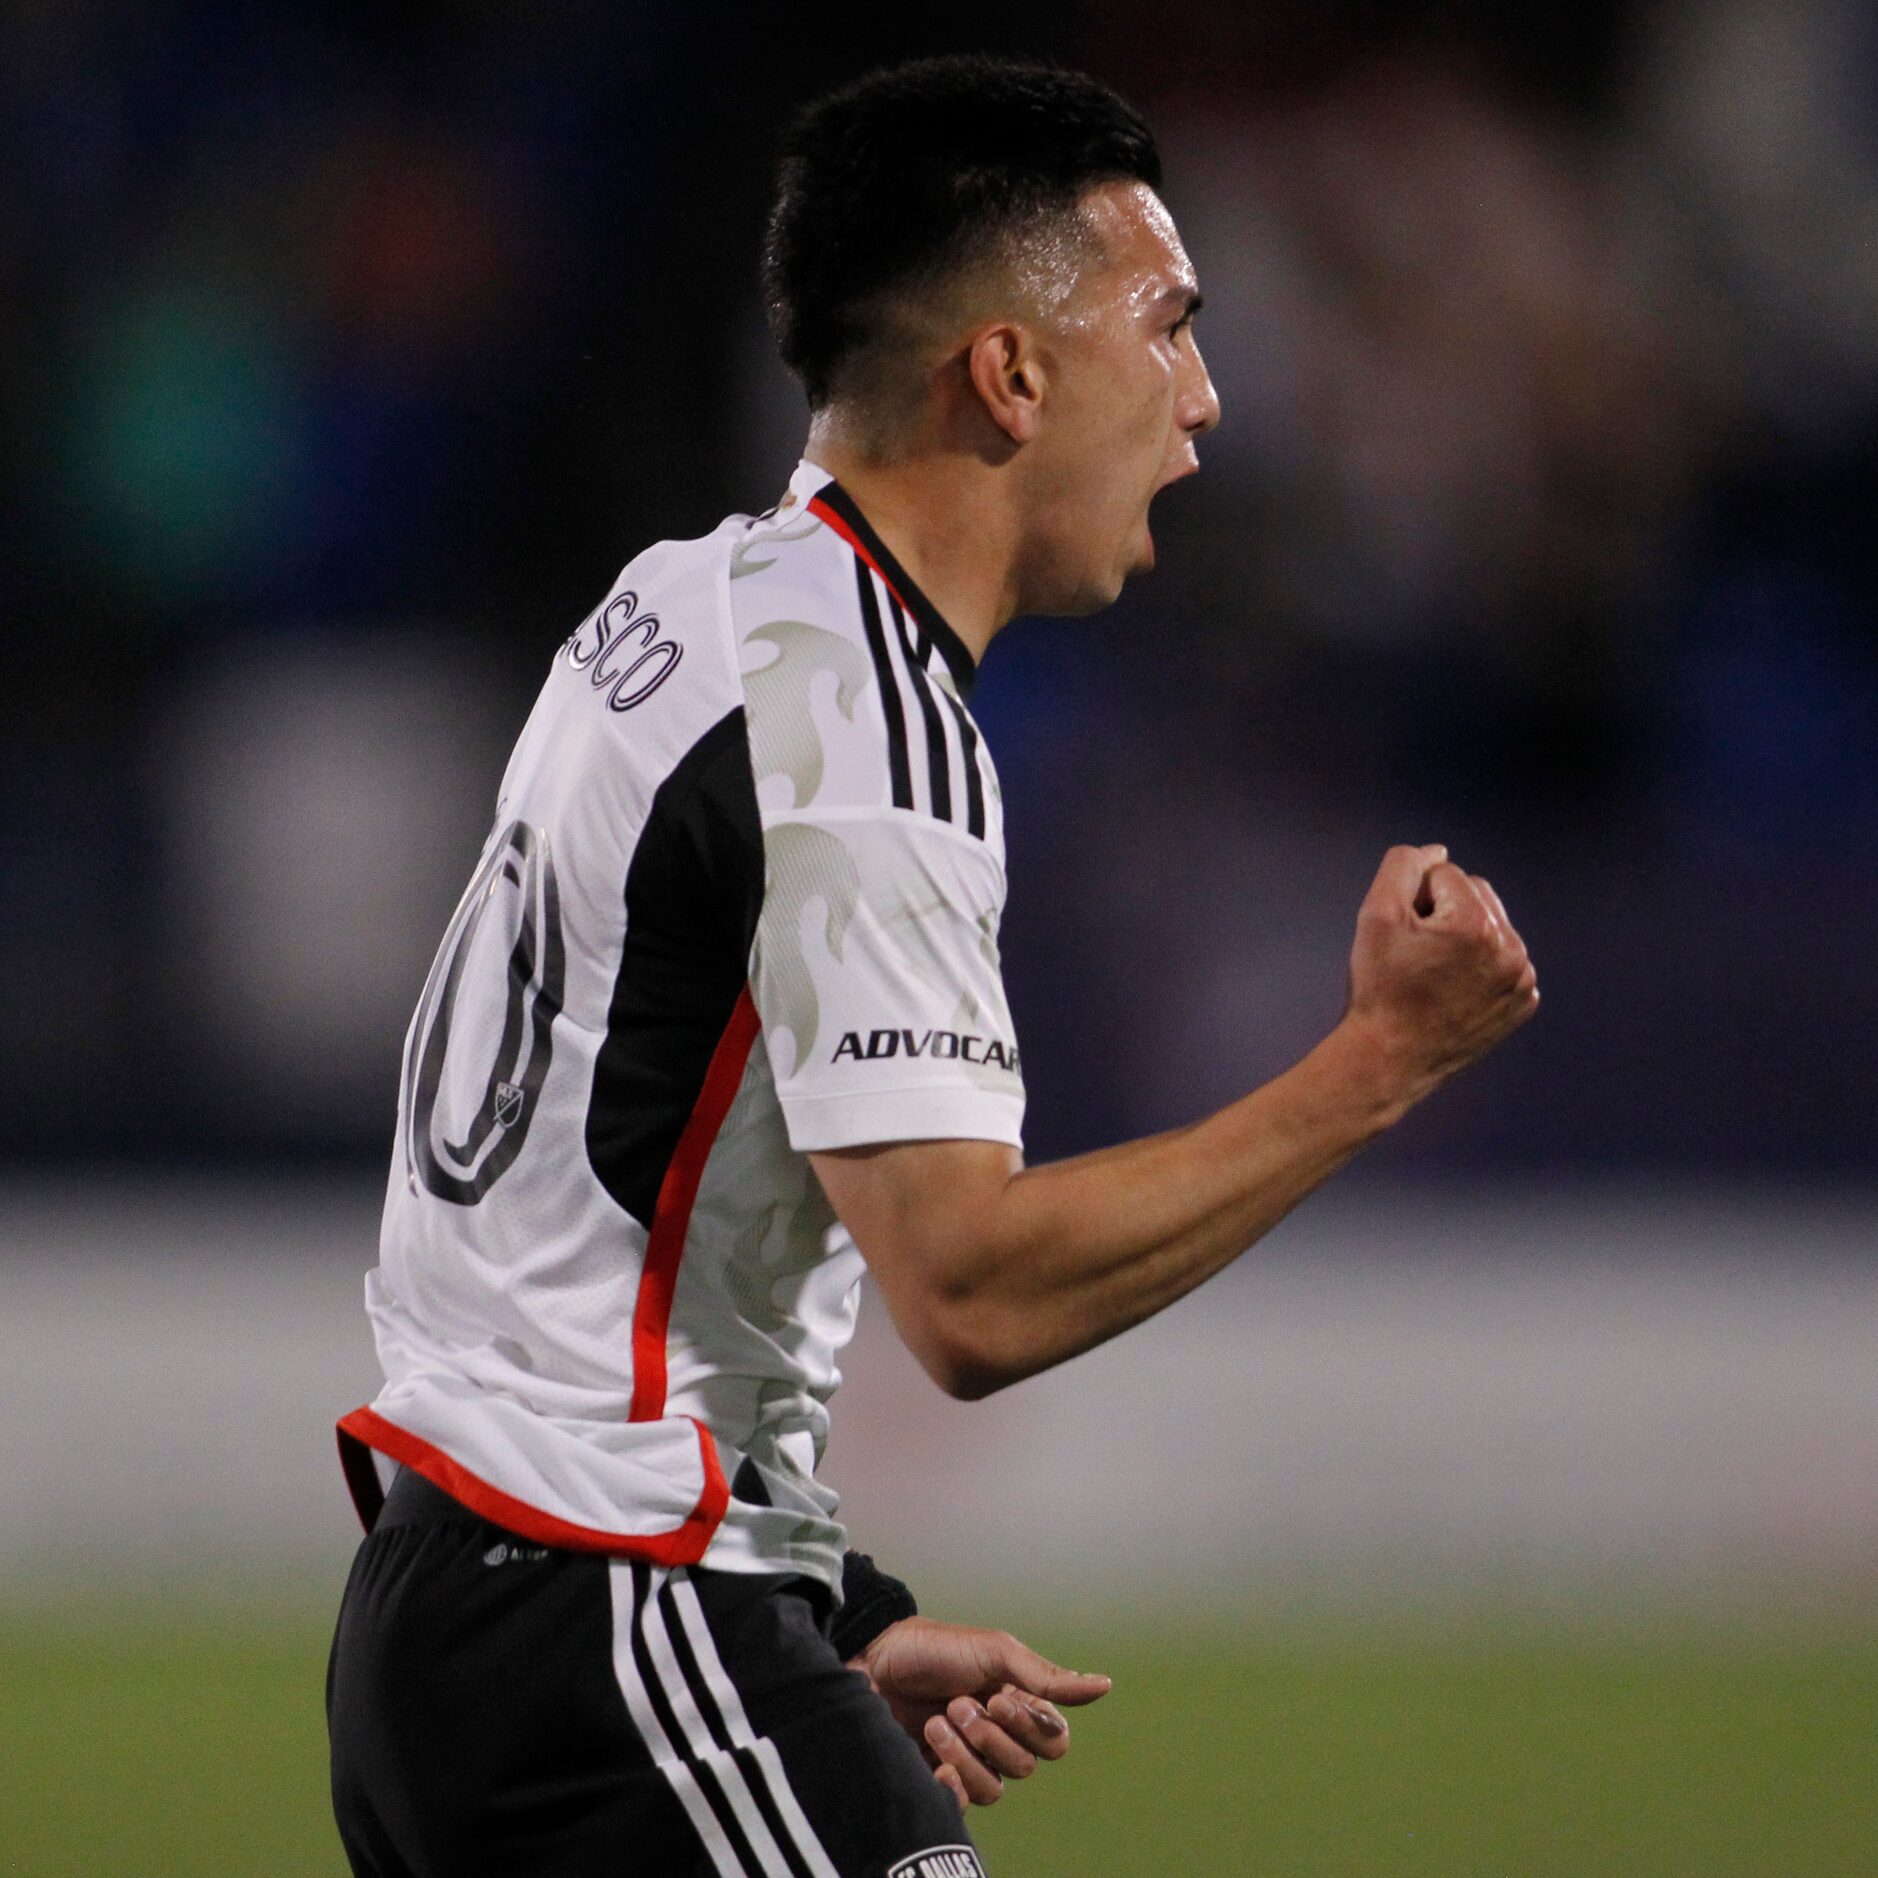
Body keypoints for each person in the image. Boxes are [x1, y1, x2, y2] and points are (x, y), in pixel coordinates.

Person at [327, 53, 1538, 1878]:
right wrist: (1376, 1060)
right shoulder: (860, 727)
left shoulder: (685, 599)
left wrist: (833, 1605)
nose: (1207, 400)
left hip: (488, 1607)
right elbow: (967, 1293)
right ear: (1012, 371)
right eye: (1170, 325)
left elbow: (603, 1209)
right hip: (609, 1615)